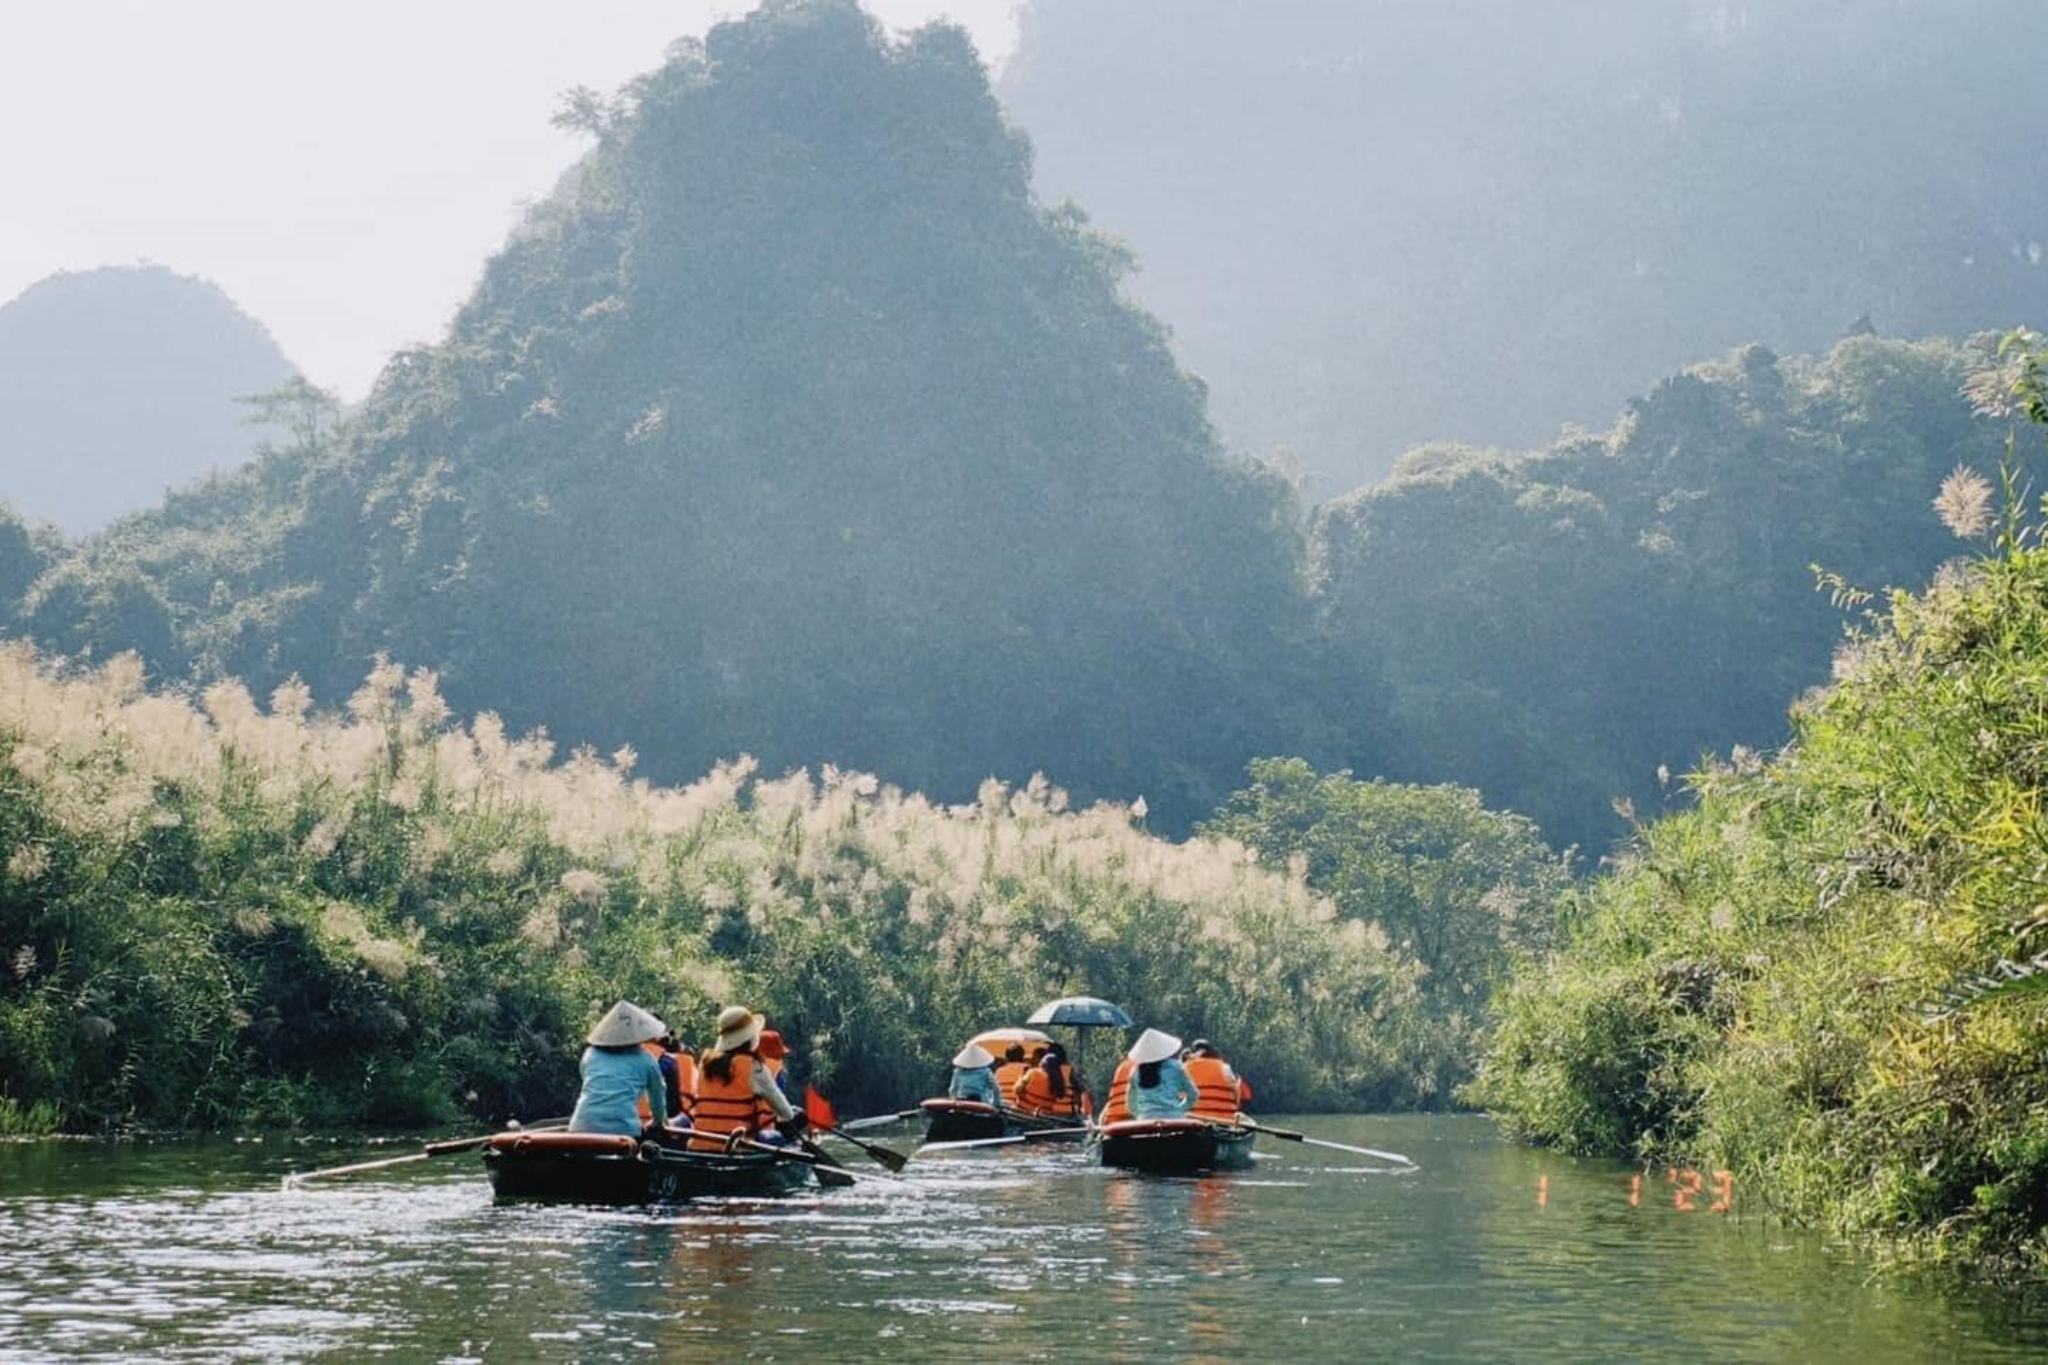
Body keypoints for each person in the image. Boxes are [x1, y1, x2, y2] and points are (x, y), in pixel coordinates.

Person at [688, 1004, 803, 1153]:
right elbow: (786, 1113)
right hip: (738, 1148)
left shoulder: (705, 1064)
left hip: (700, 1147)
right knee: (786, 1136)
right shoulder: (754, 1067)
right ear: (751, 1038)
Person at [568, 1000, 668, 1137]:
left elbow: (587, 1080)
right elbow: (657, 1097)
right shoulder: (647, 1060)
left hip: (581, 1126)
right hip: (623, 1130)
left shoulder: (590, 1054)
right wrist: (658, 1122)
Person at [1124, 1027, 1199, 1119]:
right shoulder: (1176, 1067)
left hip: (1146, 1119)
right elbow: (1193, 1094)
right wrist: (1181, 1108)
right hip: (1174, 1117)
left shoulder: (1136, 1072)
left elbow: (1131, 1105)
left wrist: (1141, 1114)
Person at [1181, 1039, 1252, 1123]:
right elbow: (1236, 1093)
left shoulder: (1185, 1068)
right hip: (1224, 1120)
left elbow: (1180, 1095)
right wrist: (1236, 1107)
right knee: (1246, 1121)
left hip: (1193, 1119)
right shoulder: (1224, 1067)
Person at [1012, 1040, 1082, 1119]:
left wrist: (1021, 1077)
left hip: (1022, 1115)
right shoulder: (1057, 1081)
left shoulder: (1032, 1073)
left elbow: (1016, 1090)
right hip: (1046, 1119)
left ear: (1042, 1062)